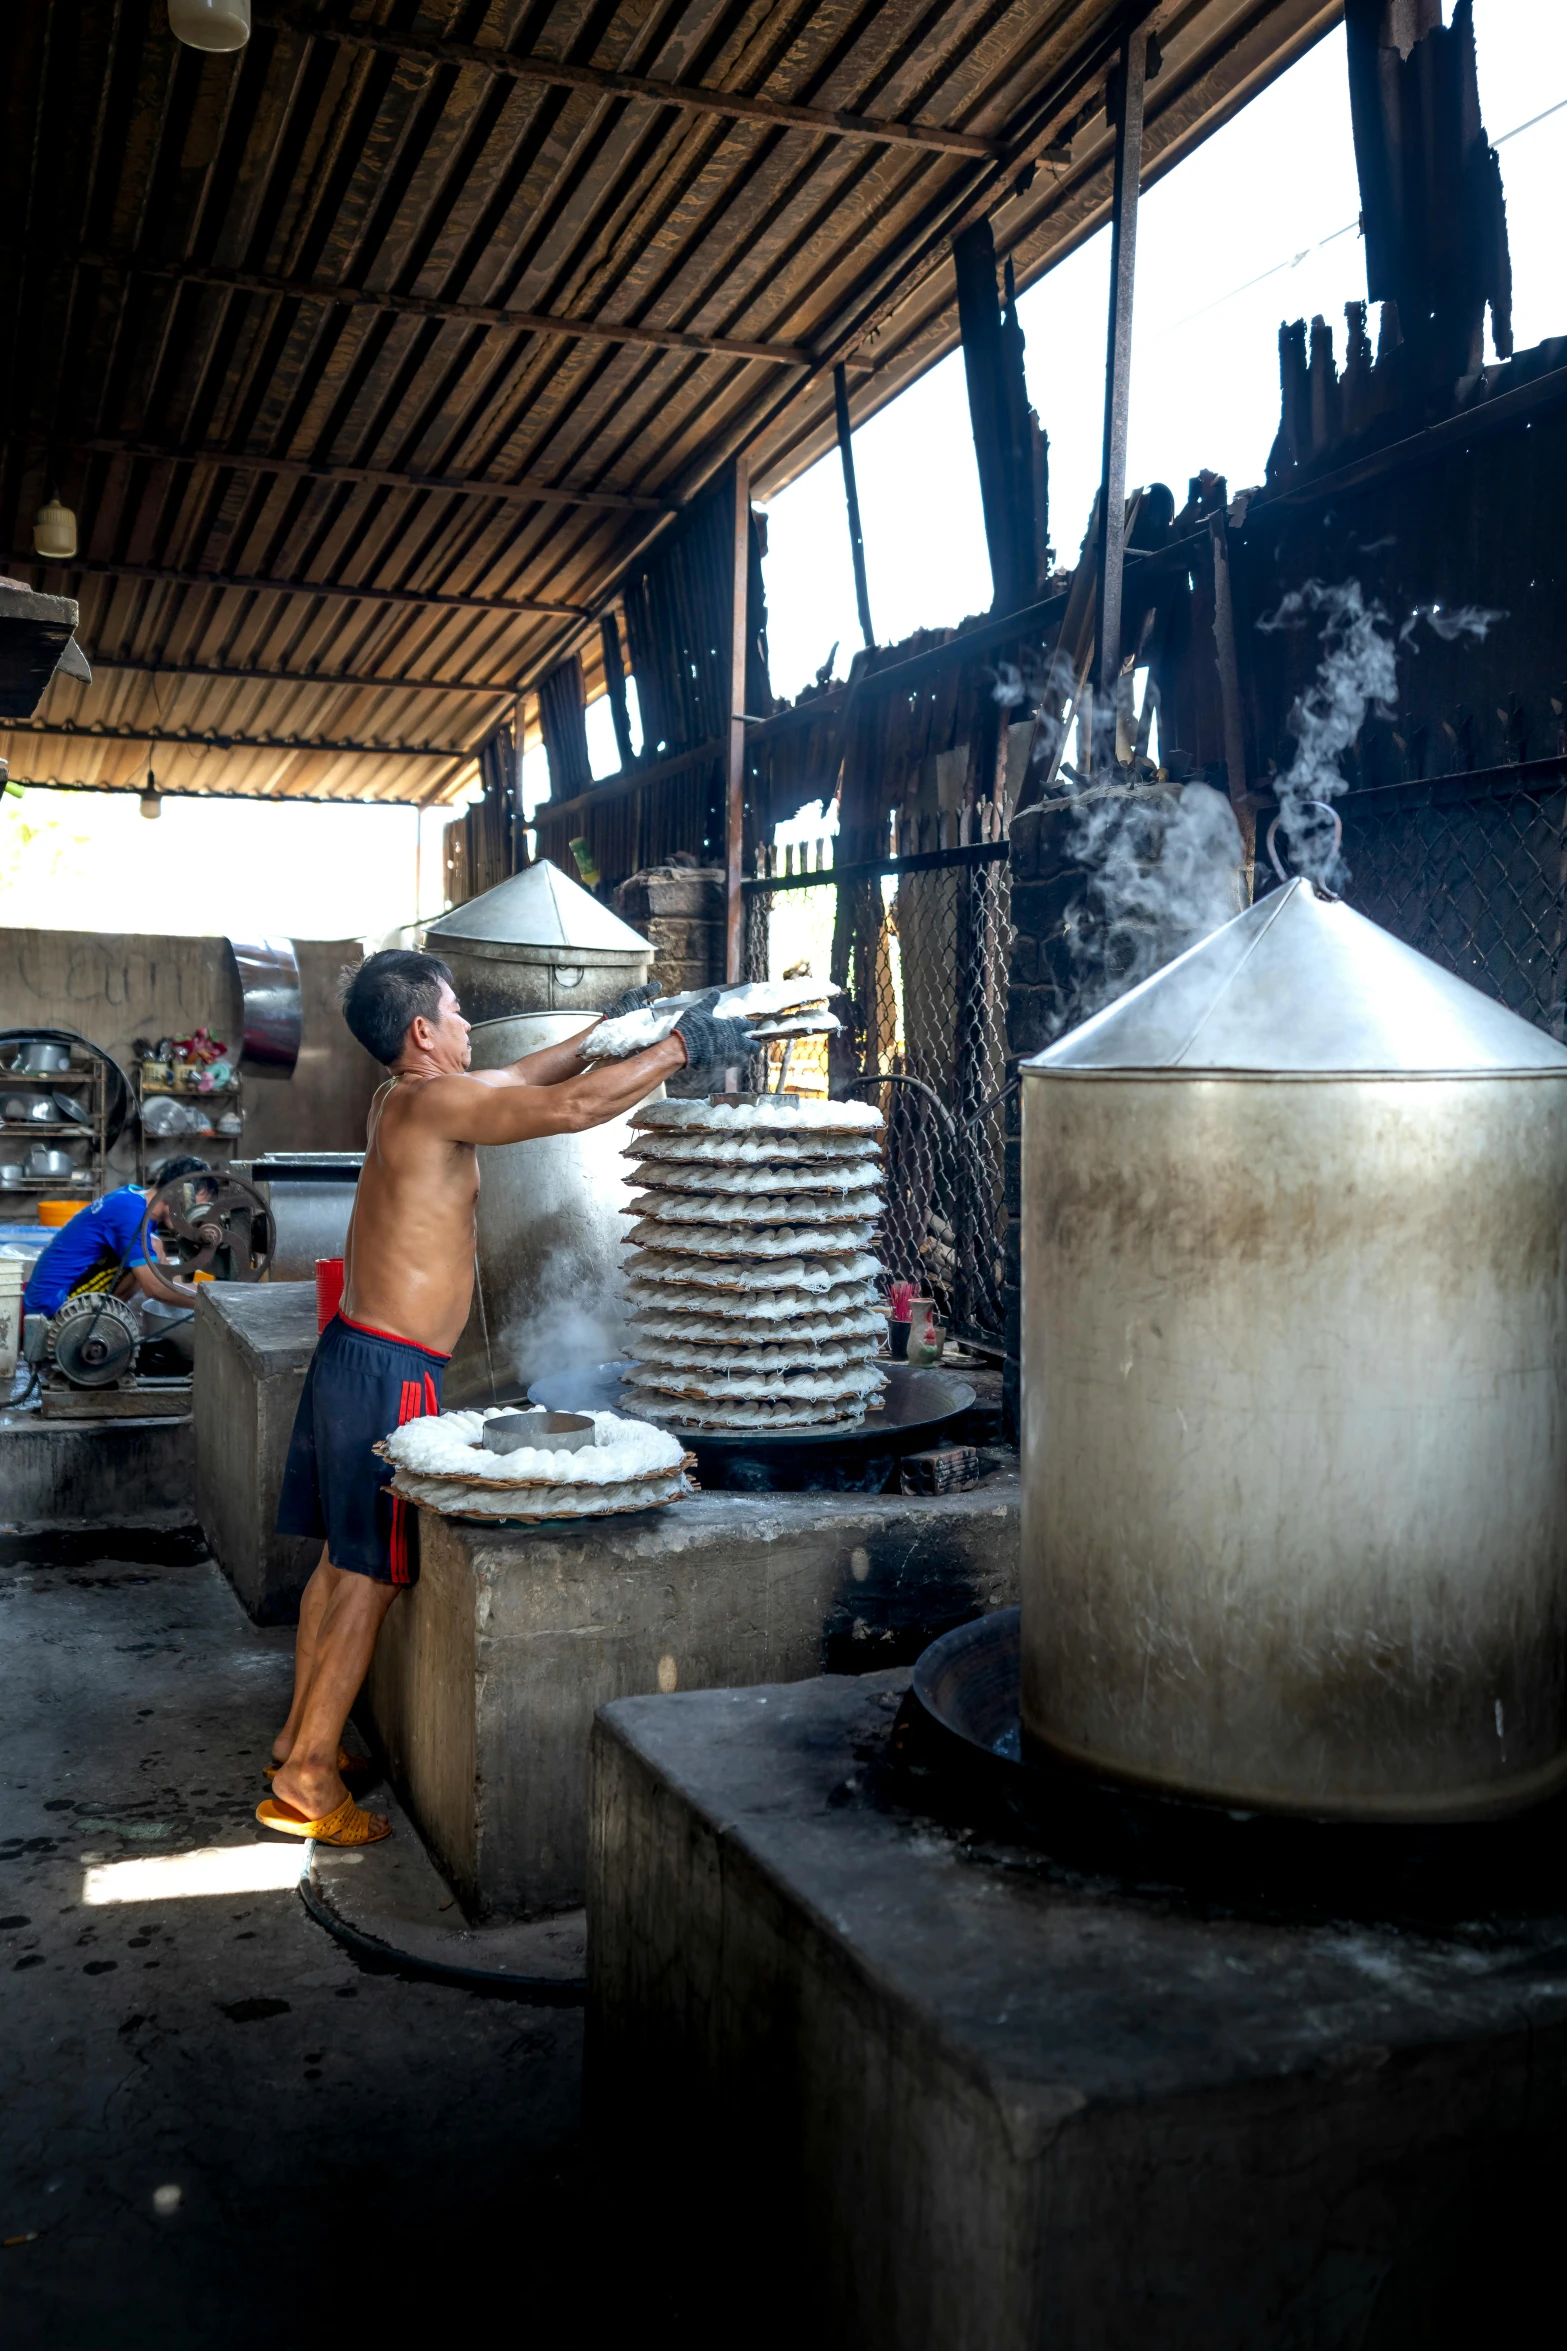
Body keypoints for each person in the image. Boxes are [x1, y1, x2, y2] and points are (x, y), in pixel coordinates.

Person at [257, 952, 756, 1847]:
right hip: (391, 1370)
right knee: (370, 1577)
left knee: (339, 1563)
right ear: (422, 1031)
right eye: (456, 1014)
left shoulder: (400, 1098)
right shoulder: (438, 1102)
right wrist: (681, 1047)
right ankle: (307, 1774)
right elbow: (567, 1109)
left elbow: (528, 1073)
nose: (466, 1028)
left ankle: (298, 1737)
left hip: (350, 1355)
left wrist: (612, 1035)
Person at [22, 1154, 216, 1317]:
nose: (193, 1217)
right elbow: (155, 1287)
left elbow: (164, 1274)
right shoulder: (131, 1213)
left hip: (53, 1295)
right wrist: (214, 1305)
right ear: (174, 1192)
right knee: (148, 1264)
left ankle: (104, 1317)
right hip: (51, 1303)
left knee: (154, 1249)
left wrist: (211, 1292)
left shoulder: (135, 1199)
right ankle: (94, 1324)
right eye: (193, 1206)